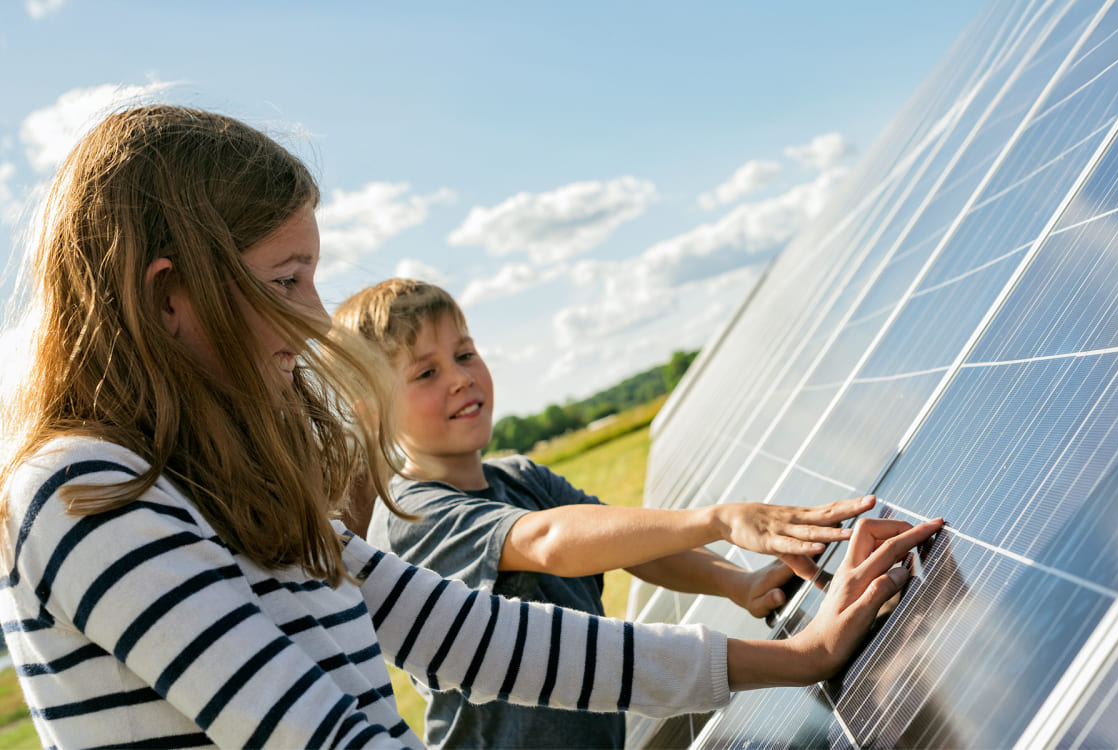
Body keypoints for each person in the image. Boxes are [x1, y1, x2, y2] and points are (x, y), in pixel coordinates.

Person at [0, 104, 942, 749]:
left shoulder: (229, 490)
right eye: (285, 281)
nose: (317, 317)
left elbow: (483, 638)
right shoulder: (86, 493)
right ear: (173, 298)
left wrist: (796, 657)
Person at [334, 278, 912, 749]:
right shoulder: (411, 515)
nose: (460, 376)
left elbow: (634, 548)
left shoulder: (519, 476)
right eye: (426, 372)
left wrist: (740, 583)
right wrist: (717, 520)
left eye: (465, 353)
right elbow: (548, 542)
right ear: (370, 409)